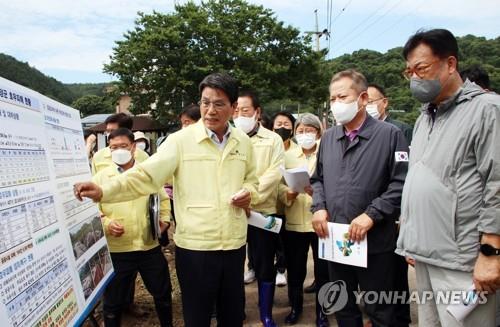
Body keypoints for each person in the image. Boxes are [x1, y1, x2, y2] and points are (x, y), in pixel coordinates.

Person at [74, 73, 259, 327]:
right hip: (196, 248)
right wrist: (104, 190)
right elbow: (144, 176)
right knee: (197, 318)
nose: (210, 110)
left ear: (233, 107)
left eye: (219, 104)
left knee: (232, 316)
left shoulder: (243, 143)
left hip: (235, 246)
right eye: (205, 103)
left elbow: (253, 180)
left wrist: (250, 192)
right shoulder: (180, 141)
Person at [396, 28, 500, 327]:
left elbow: (496, 184)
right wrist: (411, 238)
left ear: (450, 64)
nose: (415, 78)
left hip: (464, 259)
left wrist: (491, 253)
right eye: (409, 72)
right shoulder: (425, 115)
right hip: (428, 255)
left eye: (421, 68)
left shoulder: (486, 110)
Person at [311, 69, 409, 327]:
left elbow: (401, 184)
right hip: (337, 240)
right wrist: (318, 207)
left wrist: (371, 215)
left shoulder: (390, 135)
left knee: (380, 309)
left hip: (374, 241)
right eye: (332, 99)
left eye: (342, 97)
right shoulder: (330, 137)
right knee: (343, 307)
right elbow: (317, 178)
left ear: (363, 98)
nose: (336, 104)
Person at [93, 128, 173, 327]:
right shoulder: (101, 178)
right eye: (113, 148)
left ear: (133, 147)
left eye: (123, 146)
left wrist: (164, 221)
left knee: (162, 292)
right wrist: (107, 223)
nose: (118, 151)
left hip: (148, 246)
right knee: (113, 301)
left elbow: (163, 200)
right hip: (118, 249)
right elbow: (93, 211)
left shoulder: (148, 174)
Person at [233, 89, 285, 326]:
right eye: (236, 110)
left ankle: (265, 314)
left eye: (245, 110)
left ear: (257, 112)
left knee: (265, 263)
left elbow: (275, 173)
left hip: (262, 212)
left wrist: (248, 196)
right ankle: (236, 309)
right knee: (233, 264)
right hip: (232, 211)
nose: (239, 115)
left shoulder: (272, 140)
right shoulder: (228, 137)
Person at [278, 113, 329, 326]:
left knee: (323, 271)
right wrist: (287, 193)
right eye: (300, 131)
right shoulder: (287, 155)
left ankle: (322, 312)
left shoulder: (326, 154)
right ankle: (296, 307)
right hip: (294, 223)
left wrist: (318, 193)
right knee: (296, 271)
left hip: (321, 223)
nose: (304, 134)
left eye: (309, 130)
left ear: (318, 132)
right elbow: (279, 185)